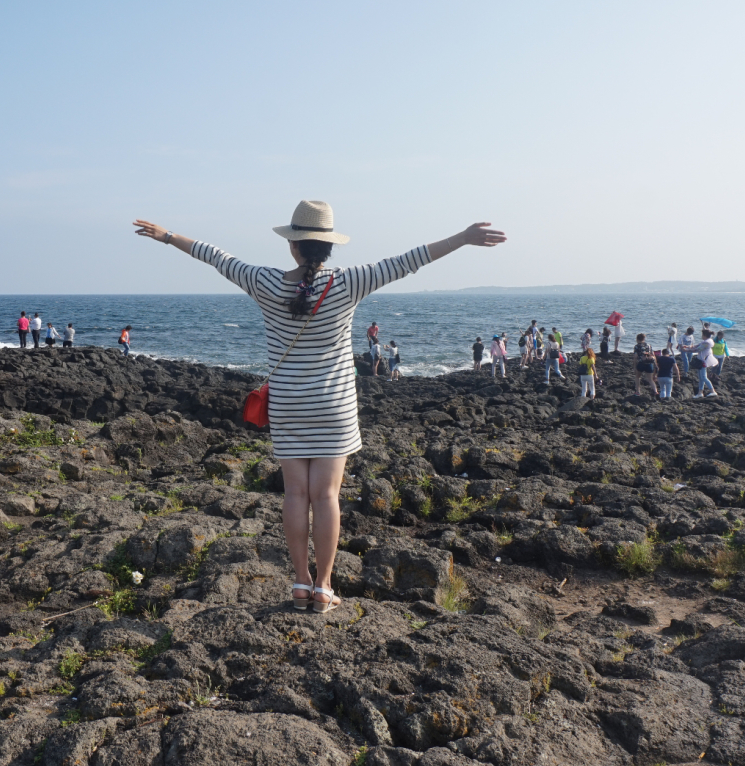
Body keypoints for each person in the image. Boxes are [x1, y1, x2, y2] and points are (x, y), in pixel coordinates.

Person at [133, 200, 505, 613]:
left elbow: (216, 256)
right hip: (334, 406)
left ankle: (300, 583)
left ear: (293, 245)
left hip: (289, 404)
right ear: (328, 247)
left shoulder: (265, 282)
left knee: (296, 494)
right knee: (326, 497)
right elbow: (410, 260)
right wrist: (464, 238)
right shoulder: (350, 282)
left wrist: (167, 236)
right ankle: (324, 587)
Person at [692, 330, 718, 398]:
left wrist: (686, 350)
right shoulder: (707, 341)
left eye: (702, 334)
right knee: (701, 378)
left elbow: (698, 349)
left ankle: (713, 391)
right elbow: (697, 346)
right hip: (701, 360)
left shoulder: (707, 342)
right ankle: (700, 393)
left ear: (705, 335)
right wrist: (688, 347)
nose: (701, 336)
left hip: (703, 361)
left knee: (703, 377)